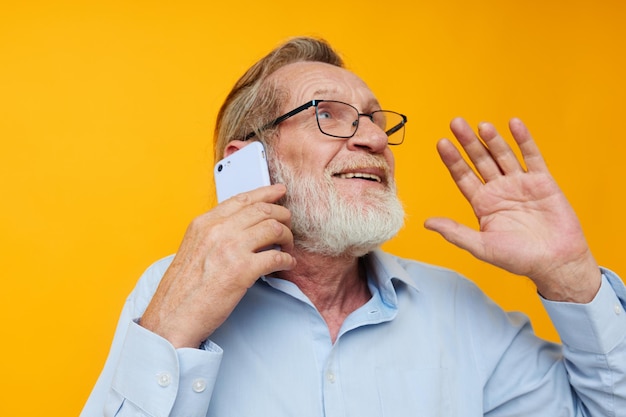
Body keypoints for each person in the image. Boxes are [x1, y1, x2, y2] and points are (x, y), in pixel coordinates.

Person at [81, 37, 626, 416]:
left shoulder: (458, 309)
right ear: (247, 162)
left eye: (374, 118)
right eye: (329, 114)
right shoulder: (171, 291)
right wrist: (170, 333)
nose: (371, 138)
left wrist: (572, 277)